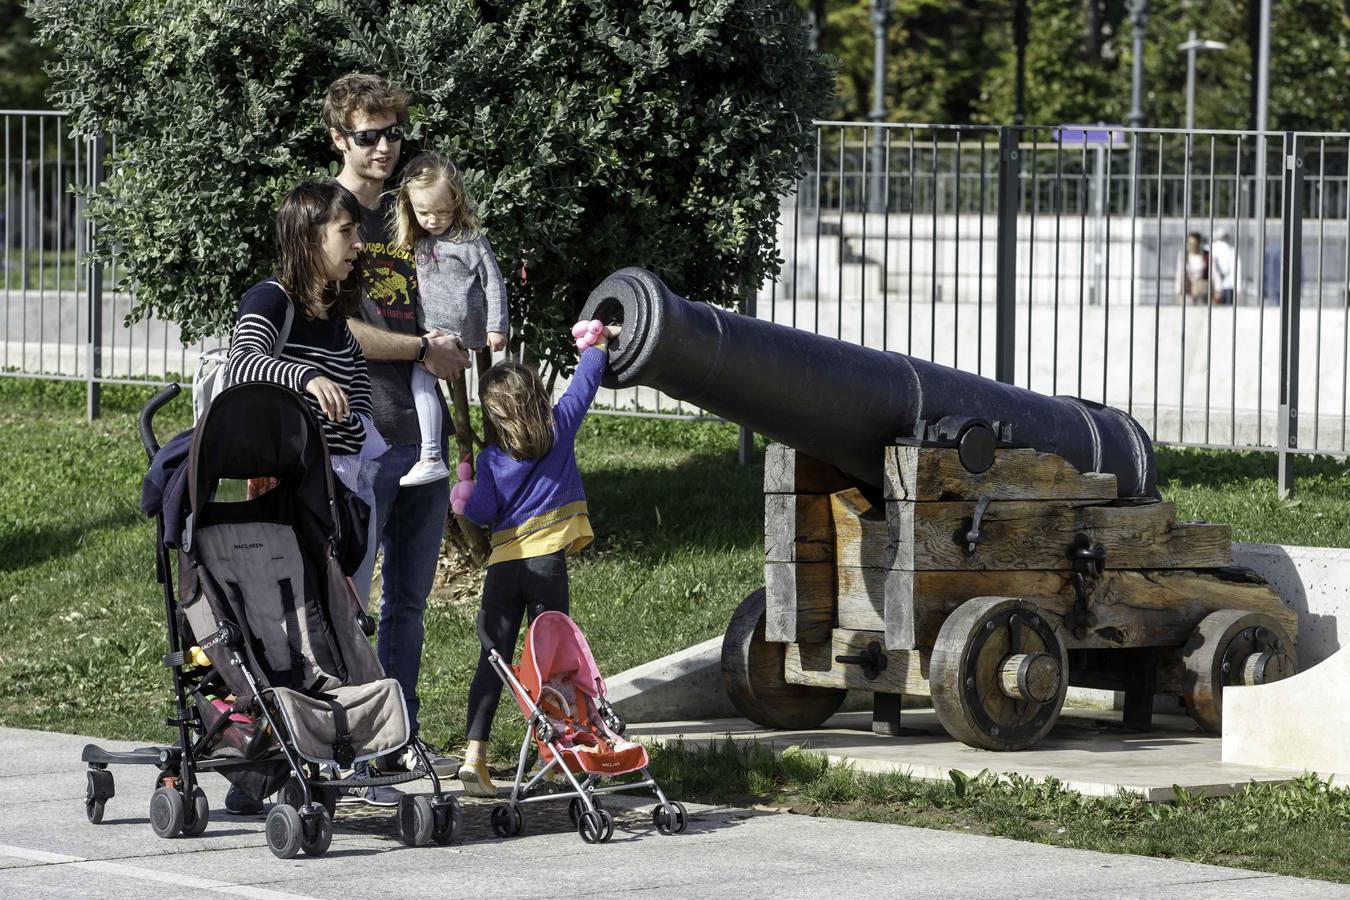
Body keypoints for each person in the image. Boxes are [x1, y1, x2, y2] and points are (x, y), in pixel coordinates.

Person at [324, 72, 469, 792]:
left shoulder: (417, 210)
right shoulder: (326, 214)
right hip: (359, 440)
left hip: (424, 437)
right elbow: (333, 327)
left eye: (392, 134)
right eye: (367, 136)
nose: (383, 148)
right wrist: (420, 351)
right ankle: (344, 737)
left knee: (408, 601)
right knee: (350, 598)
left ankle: (397, 738)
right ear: (338, 138)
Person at [219, 179, 380, 813]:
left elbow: (358, 388)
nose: (357, 243)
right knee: (289, 630)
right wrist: (306, 377)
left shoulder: (333, 312)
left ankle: (319, 756)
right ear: (309, 238)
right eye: (346, 232)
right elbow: (244, 364)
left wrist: (355, 423)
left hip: (344, 486)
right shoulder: (273, 297)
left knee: (336, 628)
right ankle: (270, 765)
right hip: (289, 494)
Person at [454, 323, 620, 797]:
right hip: (546, 564)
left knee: (495, 660)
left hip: (504, 568)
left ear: (497, 414)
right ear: (536, 397)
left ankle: (474, 756)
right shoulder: (559, 429)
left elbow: (483, 513)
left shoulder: (491, 460)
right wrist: (599, 345)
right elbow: (584, 385)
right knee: (553, 663)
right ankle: (561, 753)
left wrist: (464, 493)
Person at [388, 151, 509, 487]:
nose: (433, 219)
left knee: (420, 382)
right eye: (424, 212)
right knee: (421, 383)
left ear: (457, 202)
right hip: (428, 330)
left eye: (443, 211)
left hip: (454, 332)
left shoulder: (469, 240)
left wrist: (497, 326)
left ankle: (430, 455)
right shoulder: (419, 241)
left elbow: (493, 282)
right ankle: (433, 454)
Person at [1175, 231, 1210, 305]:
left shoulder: (1206, 256)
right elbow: (1179, 274)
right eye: (1190, 243)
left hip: (1201, 294)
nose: (1192, 246)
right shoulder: (1183, 256)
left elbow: (1213, 274)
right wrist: (1178, 291)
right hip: (1187, 294)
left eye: (1195, 244)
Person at [1210, 229, 1238, 305]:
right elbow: (1236, 271)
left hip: (1212, 287)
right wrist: (1238, 289)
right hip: (1228, 287)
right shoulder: (1232, 250)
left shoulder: (1210, 249)